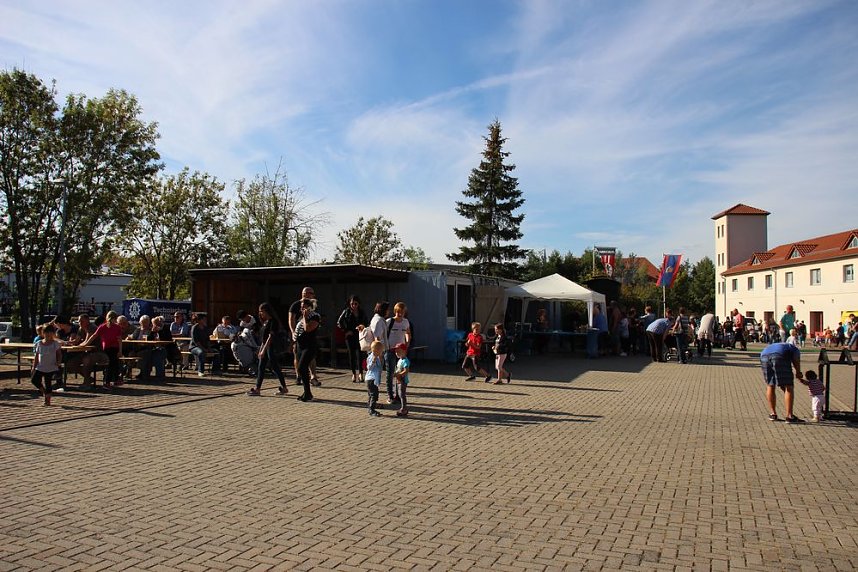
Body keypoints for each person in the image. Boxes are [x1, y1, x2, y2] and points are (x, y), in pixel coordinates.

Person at [246, 302, 288, 397]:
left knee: (275, 367)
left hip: (271, 347)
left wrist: (263, 350)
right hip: (265, 347)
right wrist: (260, 350)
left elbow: (270, 337)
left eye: (262, 311)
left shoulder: (273, 322)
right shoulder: (266, 322)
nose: (260, 313)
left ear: (266, 311)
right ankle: (257, 388)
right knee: (261, 367)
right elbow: (263, 339)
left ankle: (284, 387)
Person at [759, 342, 804, 423]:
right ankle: (789, 416)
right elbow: (796, 361)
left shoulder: (780, 345)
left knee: (770, 385)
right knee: (789, 386)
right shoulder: (795, 349)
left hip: (764, 356)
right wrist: (798, 373)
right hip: (779, 355)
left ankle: (773, 414)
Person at [82, 310, 123, 389]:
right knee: (113, 363)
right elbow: (119, 340)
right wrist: (120, 351)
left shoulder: (102, 326)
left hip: (106, 348)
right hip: (114, 348)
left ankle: (111, 380)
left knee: (111, 363)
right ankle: (110, 381)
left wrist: (86, 343)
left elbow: (94, 336)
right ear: (115, 318)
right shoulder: (117, 327)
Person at [290, 287, 320, 387]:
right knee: (297, 356)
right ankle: (299, 376)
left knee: (310, 357)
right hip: (298, 336)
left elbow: (312, 324)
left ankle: (313, 377)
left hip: (310, 337)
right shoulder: (296, 305)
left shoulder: (313, 308)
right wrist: (294, 333)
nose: (306, 295)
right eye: (304, 293)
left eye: (309, 293)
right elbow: (291, 319)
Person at [337, 294, 369, 384]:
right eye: (352, 304)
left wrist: (363, 326)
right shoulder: (346, 311)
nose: (354, 306)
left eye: (355, 304)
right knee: (351, 355)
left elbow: (366, 322)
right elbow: (339, 322)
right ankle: (353, 373)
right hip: (350, 336)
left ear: (358, 304)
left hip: (359, 335)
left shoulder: (362, 312)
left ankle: (361, 374)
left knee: (360, 354)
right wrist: (346, 330)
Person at [294, 298, 321, 402]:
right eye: (301, 306)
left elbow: (308, 328)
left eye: (303, 306)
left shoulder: (315, 316)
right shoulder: (302, 316)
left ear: (309, 306)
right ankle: (307, 393)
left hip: (309, 346)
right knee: (301, 369)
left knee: (301, 368)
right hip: (300, 345)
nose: (301, 308)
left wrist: (305, 318)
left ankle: (308, 393)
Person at [385, 302, 412, 404]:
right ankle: (390, 395)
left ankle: (398, 395)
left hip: (401, 351)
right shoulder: (389, 321)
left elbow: (408, 333)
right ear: (395, 311)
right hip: (390, 350)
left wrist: (407, 342)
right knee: (390, 373)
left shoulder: (406, 322)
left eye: (402, 312)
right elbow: (383, 333)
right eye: (398, 312)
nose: (400, 314)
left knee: (399, 373)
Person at [31, 323, 62, 406]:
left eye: (50, 332)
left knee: (48, 383)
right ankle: (44, 391)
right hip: (40, 366)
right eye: (46, 332)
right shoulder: (39, 343)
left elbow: (59, 354)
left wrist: (58, 362)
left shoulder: (55, 343)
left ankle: (47, 400)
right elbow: (37, 356)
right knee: (34, 380)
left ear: (53, 333)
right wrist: (34, 366)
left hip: (51, 366)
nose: (48, 334)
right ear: (42, 333)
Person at [189, 313, 219, 377]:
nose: (205, 320)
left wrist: (209, 348)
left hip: (205, 347)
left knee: (216, 352)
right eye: (204, 319)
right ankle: (201, 371)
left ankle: (215, 370)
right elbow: (196, 342)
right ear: (199, 320)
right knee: (201, 353)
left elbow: (208, 340)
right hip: (194, 347)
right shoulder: (194, 328)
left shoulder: (205, 328)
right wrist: (204, 349)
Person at [365, 340, 384, 417]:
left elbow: (379, 368)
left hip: (374, 379)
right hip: (371, 379)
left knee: (371, 394)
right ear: (376, 350)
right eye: (381, 351)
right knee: (374, 395)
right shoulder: (372, 357)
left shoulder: (378, 357)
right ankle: (371, 409)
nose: (381, 352)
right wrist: (373, 361)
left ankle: (370, 407)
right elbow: (368, 367)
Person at [392, 342, 411, 417]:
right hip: (398, 379)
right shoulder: (399, 360)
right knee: (400, 394)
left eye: (398, 352)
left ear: (404, 351)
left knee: (402, 394)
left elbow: (406, 370)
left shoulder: (405, 361)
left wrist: (399, 374)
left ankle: (404, 408)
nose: (397, 353)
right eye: (396, 352)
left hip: (403, 380)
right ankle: (403, 407)